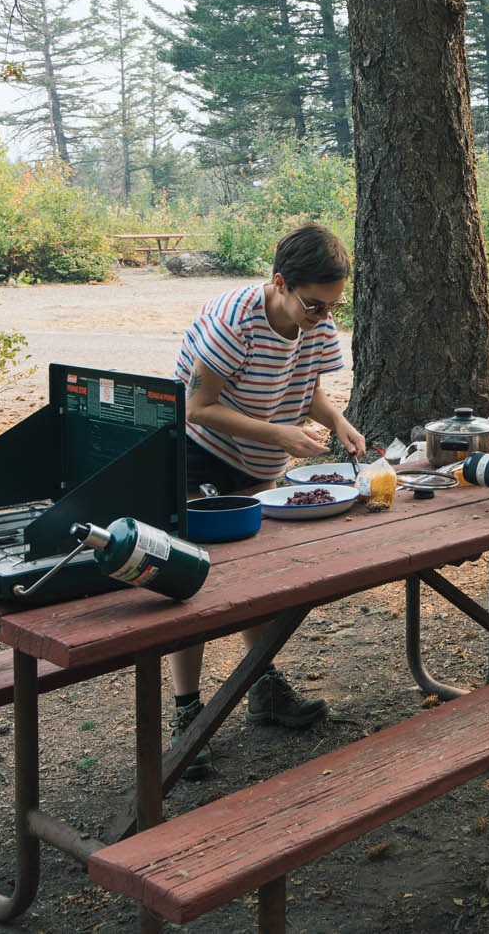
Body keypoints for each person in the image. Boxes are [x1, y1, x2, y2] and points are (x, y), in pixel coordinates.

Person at [168, 221, 366, 778]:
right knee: (196, 584)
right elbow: (197, 408)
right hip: (200, 455)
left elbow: (311, 391)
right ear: (278, 283)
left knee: (260, 578)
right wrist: (280, 433)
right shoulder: (234, 323)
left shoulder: (318, 325)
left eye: (332, 306)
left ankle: (260, 689)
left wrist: (339, 422)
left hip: (260, 463)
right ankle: (188, 713)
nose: (323, 317)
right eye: (314, 305)